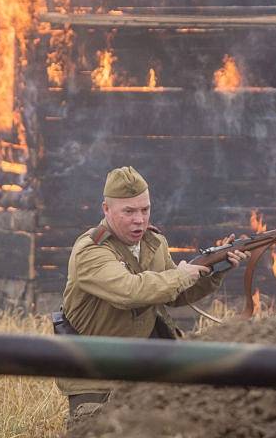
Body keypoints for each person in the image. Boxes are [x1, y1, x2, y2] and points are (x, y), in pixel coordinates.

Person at [57, 165, 249, 422]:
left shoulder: (154, 242)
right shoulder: (91, 251)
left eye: (145, 209)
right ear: (106, 209)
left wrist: (216, 269)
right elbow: (130, 291)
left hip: (141, 369)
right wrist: (182, 274)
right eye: (129, 211)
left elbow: (175, 294)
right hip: (94, 375)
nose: (139, 219)